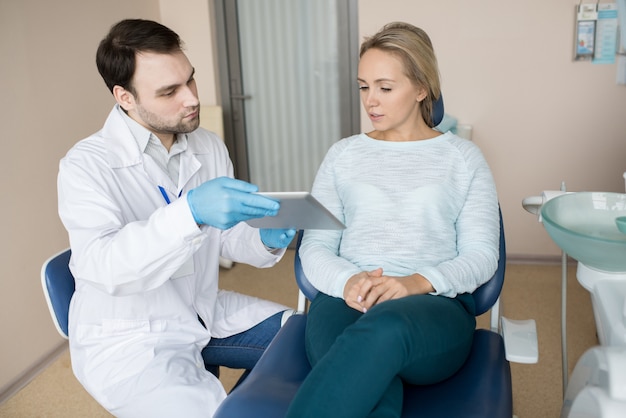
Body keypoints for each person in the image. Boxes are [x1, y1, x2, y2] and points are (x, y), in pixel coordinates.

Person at [57, 19, 296, 417]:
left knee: (310, 339)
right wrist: (190, 212)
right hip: (133, 340)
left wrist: (266, 239)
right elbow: (106, 266)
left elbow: (229, 236)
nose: (191, 99)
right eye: (169, 91)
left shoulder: (207, 145)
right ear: (125, 97)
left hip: (203, 308)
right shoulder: (86, 166)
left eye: (190, 80)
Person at [285, 22, 500, 418]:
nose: (371, 101)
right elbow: (315, 247)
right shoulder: (343, 154)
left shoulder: (463, 159)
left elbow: (483, 255)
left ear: (421, 88)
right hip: (346, 300)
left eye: (385, 87)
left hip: (432, 308)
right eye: (364, 86)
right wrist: (348, 281)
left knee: (383, 332)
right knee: (369, 379)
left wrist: (415, 282)